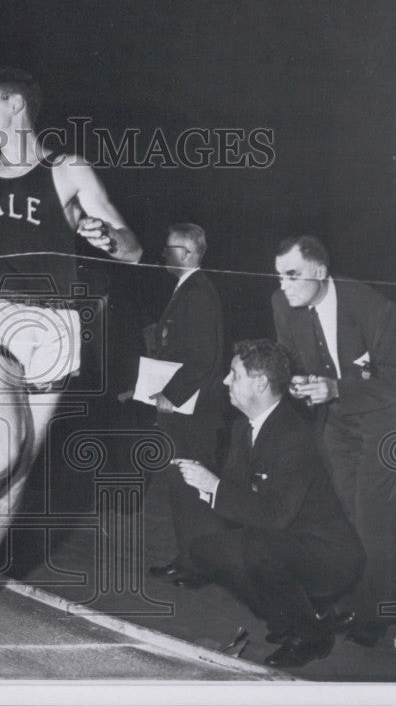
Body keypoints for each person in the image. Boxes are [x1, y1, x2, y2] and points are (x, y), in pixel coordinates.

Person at [0, 68, 142, 650]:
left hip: (54, 324)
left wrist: (103, 237)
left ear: (16, 105)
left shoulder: (67, 169)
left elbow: (132, 246)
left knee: (20, 470)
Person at [176, 339, 364, 668]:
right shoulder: (242, 428)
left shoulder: (294, 434)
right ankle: (295, 619)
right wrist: (206, 485)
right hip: (287, 541)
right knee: (205, 551)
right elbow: (236, 496)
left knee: (258, 549)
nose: (225, 381)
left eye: (234, 374)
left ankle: (310, 637)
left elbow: (274, 516)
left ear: (260, 383)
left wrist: (214, 486)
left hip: (330, 554)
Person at [271, 235, 396, 647]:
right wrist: (293, 383)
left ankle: (374, 613)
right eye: (279, 276)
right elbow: (288, 359)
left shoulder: (372, 307)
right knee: (344, 514)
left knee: (374, 517)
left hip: (384, 421)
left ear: (320, 272)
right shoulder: (282, 305)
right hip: (335, 423)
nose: (283, 286)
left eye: (292, 276)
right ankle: (351, 597)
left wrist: (336, 389)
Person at [143, 223, 226, 589]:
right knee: (181, 488)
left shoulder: (199, 293)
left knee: (193, 490)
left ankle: (202, 566)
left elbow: (202, 358)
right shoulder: (188, 290)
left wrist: (170, 395)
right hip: (183, 411)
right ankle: (189, 558)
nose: (164, 253)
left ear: (189, 253)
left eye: (171, 247)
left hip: (194, 412)